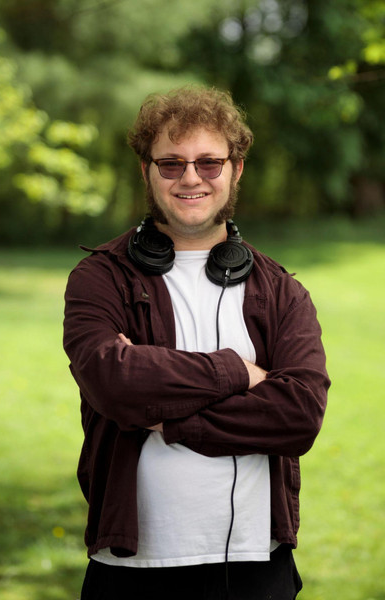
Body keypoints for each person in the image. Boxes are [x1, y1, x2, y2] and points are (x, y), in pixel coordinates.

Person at [63, 86, 330, 600]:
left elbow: (299, 413)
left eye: (209, 162)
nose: (191, 178)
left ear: (236, 170)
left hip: (256, 564)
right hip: (131, 568)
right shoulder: (101, 277)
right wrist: (238, 372)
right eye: (171, 164)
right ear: (146, 171)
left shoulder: (281, 290)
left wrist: (169, 419)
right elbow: (113, 382)